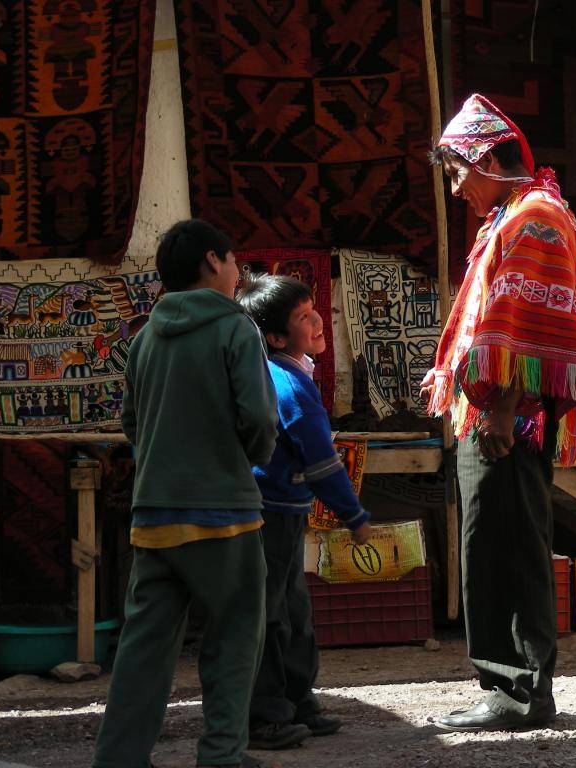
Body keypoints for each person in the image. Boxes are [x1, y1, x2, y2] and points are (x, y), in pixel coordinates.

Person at [423, 94, 576, 731]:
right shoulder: (524, 216)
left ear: (487, 159)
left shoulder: (532, 220)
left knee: (500, 542)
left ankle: (515, 690)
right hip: (505, 414)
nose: (456, 188)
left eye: (458, 172)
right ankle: (522, 689)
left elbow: (525, 327)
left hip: (511, 419)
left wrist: (502, 409)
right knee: (504, 540)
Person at [92, 219, 278, 768]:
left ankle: (118, 758)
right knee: (236, 635)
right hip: (224, 513)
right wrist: (245, 461)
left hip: (153, 515)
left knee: (143, 648)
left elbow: (130, 420)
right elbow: (260, 419)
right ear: (215, 262)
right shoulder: (235, 329)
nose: (239, 271)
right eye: (235, 261)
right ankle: (221, 754)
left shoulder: (147, 335)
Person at [237, 273, 372, 749]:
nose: (317, 319)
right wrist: (353, 516)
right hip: (270, 514)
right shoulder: (290, 386)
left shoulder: (286, 375)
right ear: (275, 337)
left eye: (314, 308)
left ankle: (297, 702)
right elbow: (321, 462)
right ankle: (265, 716)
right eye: (302, 316)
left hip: (281, 510)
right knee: (273, 614)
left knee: (291, 609)